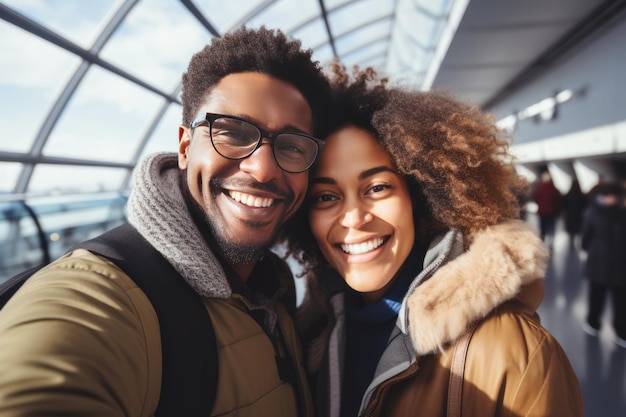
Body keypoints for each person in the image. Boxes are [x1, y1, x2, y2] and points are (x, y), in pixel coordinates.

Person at [0, 26, 331, 416]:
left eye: (291, 146)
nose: (262, 169)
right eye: (233, 132)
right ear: (186, 147)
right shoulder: (104, 297)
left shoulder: (274, 286)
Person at [281, 66, 584, 416]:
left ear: (420, 197)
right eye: (325, 197)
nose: (353, 218)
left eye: (377, 187)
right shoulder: (311, 334)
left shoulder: (516, 356)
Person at [580, 181, 626, 348]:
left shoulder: (616, 213)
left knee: (620, 302)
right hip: (600, 263)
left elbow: (585, 240)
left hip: (618, 265)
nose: (611, 199)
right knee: (596, 298)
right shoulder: (595, 213)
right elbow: (585, 238)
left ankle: (621, 331)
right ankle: (593, 323)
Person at [533, 170, 563, 246]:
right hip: (552, 212)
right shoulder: (554, 189)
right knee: (551, 228)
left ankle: (542, 241)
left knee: (543, 228)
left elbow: (536, 199)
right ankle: (551, 242)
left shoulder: (540, 188)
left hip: (542, 212)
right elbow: (559, 201)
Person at [562, 178, 587, 246]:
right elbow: (584, 205)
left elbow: (564, 204)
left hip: (570, 215)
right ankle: (578, 243)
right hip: (578, 215)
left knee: (571, 231)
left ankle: (571, 243)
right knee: (578, 230)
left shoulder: (568, 194)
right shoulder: (581, 195)